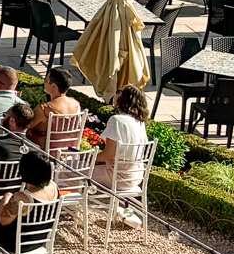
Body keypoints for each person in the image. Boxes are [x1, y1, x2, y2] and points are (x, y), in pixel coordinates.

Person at [94, 86, 150, 226]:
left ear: (124, 99)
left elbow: (108, 155)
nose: (115, 94)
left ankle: (68, 208)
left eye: (118, 92)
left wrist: (89, 158)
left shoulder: (116, 120)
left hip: (117, 176)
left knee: (73, 171)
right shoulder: (140, 123)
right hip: (136, 177)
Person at [0, 150, 58, 254]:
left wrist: (7, 197)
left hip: (17, 244)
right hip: (39, 240)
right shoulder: (53, 186)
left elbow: (3, 220)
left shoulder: (23, 198)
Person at [28, 66, 84, 148]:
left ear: (54, 86)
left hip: (43, 153)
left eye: (46, 80)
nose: (44, 83)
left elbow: (25, 126)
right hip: (68, 151)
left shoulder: (44, 109)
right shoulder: (76, 104)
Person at [0, 102, 37, 174]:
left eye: (4, 115)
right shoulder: (35, 149)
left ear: (12, 121)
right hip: (19, 185)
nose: (3, 119)